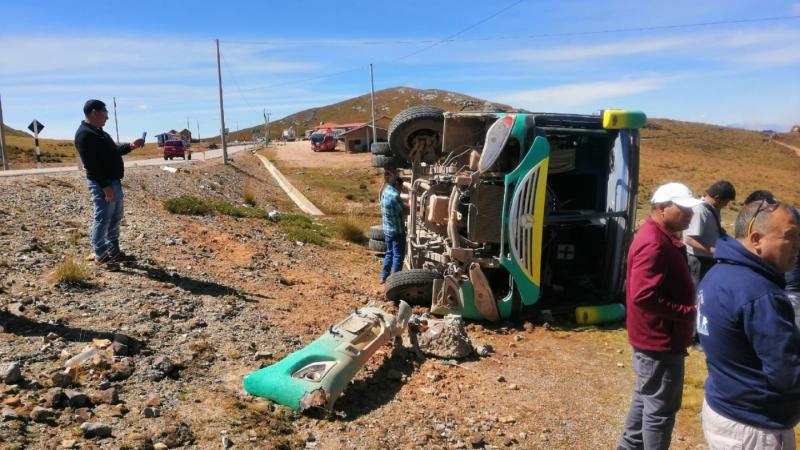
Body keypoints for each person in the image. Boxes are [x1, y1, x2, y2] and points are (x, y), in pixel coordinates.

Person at [697, 199, 800, 449]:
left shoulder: (718, 273)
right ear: (756, 239)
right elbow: (789, 376)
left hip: (723, 407)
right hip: (755, 426)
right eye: (791, 237)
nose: (798, 247)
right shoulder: (760, 294)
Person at [619, 182, 701, 450]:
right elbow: (642, 295)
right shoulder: (654, 243)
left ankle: (628, 446)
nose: (689, 215)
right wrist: (687, 313)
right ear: (663, 207)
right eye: (684, 209)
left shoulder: (657, 236)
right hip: (659, 342)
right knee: (660, 412)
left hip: (654, 339)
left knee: (647, 398)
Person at [75, 99, 144, 266]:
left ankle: (114, 251)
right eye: (105, 112)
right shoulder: (85, 134)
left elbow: (115, 152)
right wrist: (105, 188)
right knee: (103, 218)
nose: (107, 117)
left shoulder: (100, 133)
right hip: (103, 184)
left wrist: (132, 146)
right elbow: (91, 166)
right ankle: (101, 255)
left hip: (113, 182)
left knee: (115, 218)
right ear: (94, 112)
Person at [683, 180, 736, 286]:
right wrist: (712, 250)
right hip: (698, 261)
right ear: (717, 197)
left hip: (708, 258)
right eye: (725, 202)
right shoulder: (700, 211)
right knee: (697, 291)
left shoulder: (712, 209)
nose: (726, 205)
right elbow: (689, 239)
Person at [380, 173, 405, 283]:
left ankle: (384, 276)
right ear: (396, 184)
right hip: (397, 231)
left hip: (387, 230)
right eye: (401, 186)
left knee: (389, 253)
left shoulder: (386, 192)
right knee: (398, 257)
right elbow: (403, 210)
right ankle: (395, 281)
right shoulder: (395, 196)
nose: (402, 189)